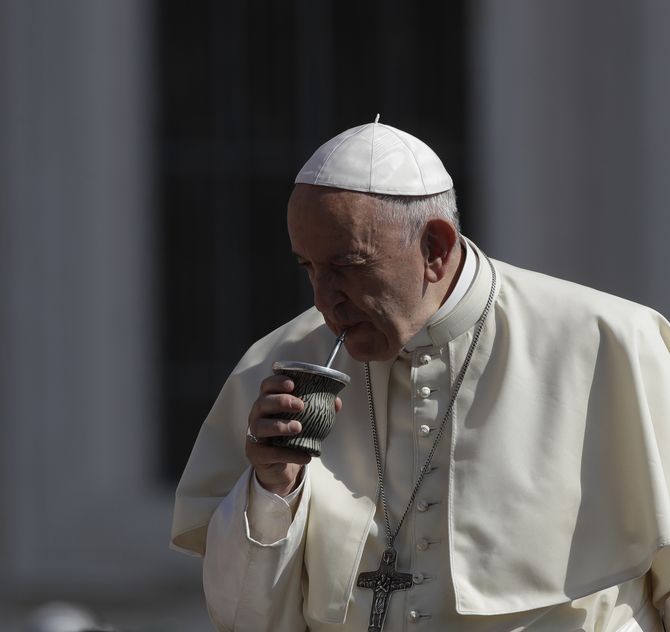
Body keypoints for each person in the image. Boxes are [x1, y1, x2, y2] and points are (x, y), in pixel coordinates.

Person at [170, 116, 670, 631]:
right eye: (309, 268)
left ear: (434, 248)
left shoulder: (610, 342)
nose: (324, 301)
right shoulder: (280, 362)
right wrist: (272, 491)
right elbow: (242, 620)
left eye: (347, 266)